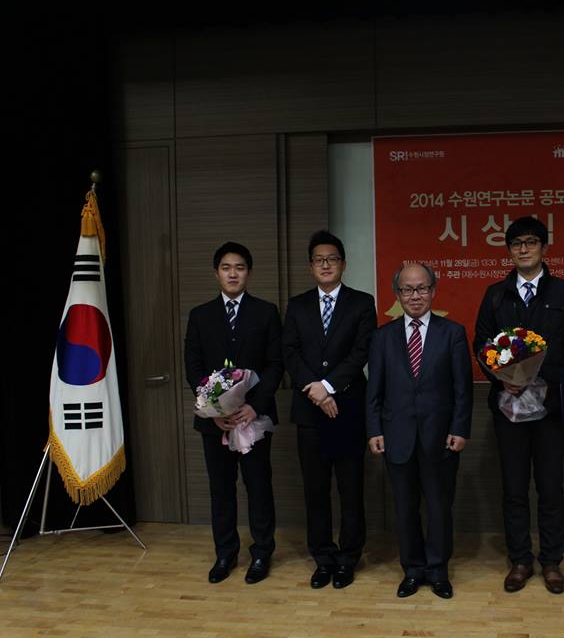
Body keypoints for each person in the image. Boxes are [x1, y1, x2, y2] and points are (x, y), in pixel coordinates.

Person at [473, 216, 564, 595]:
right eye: (516, 243)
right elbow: (481, 345)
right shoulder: (495, 294)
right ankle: (520, 560)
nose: (524, 248)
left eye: (531, 242)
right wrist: (501, 377)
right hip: (509, 406)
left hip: (553, 406)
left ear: (544, 247)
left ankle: (552, 561)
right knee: (513, 487)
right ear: (509, 250)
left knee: (551, 486)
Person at [366, 263, 472, 599]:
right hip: (396, 436)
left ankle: (438, 570)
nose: (416, 296)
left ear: (433, 290)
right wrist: (374, 430)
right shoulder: (382, 337)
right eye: (408, 290)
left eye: (422, 288)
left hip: (441, 436)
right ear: (397, 295)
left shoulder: (452, 333)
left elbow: (462, 389)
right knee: (405, 507)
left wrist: (459, 427)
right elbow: (375, 392)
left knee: (440, 507)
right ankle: (412, 569)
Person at [183, 241, 283, 584]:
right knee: (221, 489)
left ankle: (261, 554)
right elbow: (193, 366)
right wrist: (213, 411)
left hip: (253, 419)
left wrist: (255, 406)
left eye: (239, 267)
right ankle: (225, 554)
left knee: (258, 487)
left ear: (249, 273)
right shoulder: (200, 315)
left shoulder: (266, 312)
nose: (233, 274)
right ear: (216, 273)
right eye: (226, 268)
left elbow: (275, 365)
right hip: (216, 423)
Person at [282, 230, 377, 590]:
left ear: (343, 265)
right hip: (310, 413)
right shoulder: (297, 305)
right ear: (311, 266)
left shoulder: (361, 303)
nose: (326, 265)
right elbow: (289, 351)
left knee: (351, 490)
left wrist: (331, 386)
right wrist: (316, 391)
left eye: (332, 259)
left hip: (349, 410)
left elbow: (361, 352)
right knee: (316, 491)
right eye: (319, 260)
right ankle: (323, 557)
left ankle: (348, 558)